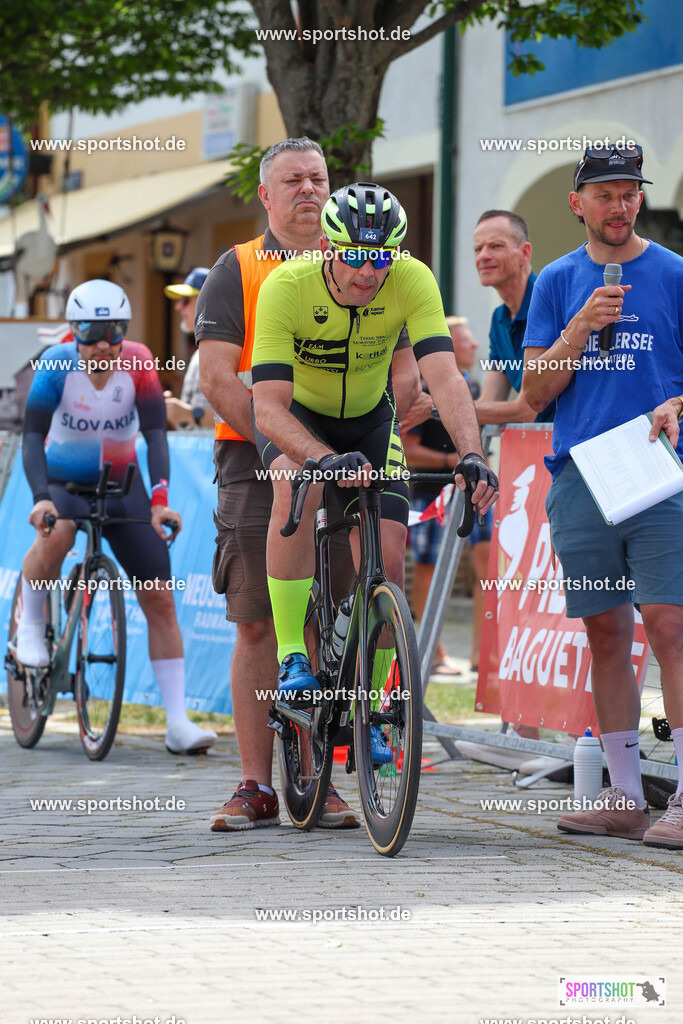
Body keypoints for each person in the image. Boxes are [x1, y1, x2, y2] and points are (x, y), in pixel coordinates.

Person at [197, 139, 421, 831]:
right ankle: (253, 784)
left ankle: (324, 777)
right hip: (257, 453)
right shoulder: (238, 268)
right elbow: (214, 377)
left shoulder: (375, 264)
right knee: (260, 618)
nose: (307, 189)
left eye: (317, 178)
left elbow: (409, 367)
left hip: (346, 448)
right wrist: (282, 448)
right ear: (264, 195)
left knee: (353, 602)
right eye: (291, 179)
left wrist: (366, 434)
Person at [250, 182, 499, 753]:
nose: (369, 272)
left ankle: (375, 701)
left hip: (369, 421)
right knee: (298, 488)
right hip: (297, 420)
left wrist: (472, 452)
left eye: (381, 257)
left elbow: (444, 375)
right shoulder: (286, 286)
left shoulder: (412, 279)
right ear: (329, 248)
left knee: (387, 558)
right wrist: (322, 459)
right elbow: (266, 408)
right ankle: (293, 654)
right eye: (356, 256)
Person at [522, 142, 683, 848]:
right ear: (576, 204)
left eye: (628, 194)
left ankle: (680, 794)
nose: (618, 207)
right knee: (605, 630)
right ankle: (622, 795)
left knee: (670, 625)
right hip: (581, 477)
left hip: (658, 470)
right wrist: (580, 327)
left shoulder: (674, 274)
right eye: (604, 194)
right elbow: (533, 392)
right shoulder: (556, 282)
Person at [18, 279, 217, 756]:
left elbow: (155, 432)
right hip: (65, 485)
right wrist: (41, 498)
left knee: (160, 599)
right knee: (57, 534)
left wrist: (160, 499)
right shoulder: (55, 364)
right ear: (73, 330)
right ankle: (30, 624)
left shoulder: (141, 362)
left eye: (113, 331)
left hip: (123, 488)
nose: (102, 343)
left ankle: (176, 722)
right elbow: (30, 436)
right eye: (90, 331)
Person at [402, 316, 492, 673]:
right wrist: (451, 460)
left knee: (486, 566)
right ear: (449, 346)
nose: (474, 346)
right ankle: (434, 654)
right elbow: (407, 448)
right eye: (466, 340)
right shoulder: (424, 388)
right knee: (428, 570)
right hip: (431, 492)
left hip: (474, 489)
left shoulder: (474, 385)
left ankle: (481, 655)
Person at [472, 210, 553, 425]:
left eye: (496, 246)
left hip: (570, 450)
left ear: (525, 253)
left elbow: (526, 409)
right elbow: (489, 401)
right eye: (478, 249)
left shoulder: (550, 304)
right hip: (534, 448)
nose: (483, 256)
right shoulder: (499, 318)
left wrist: (440, 407)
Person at [162, 268, 213, 429]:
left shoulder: (229, 352)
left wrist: (189, 414)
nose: (178, 307)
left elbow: (246, 419)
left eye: (185, 300)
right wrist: (172, 410)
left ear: (207, 302)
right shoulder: (200, 353)